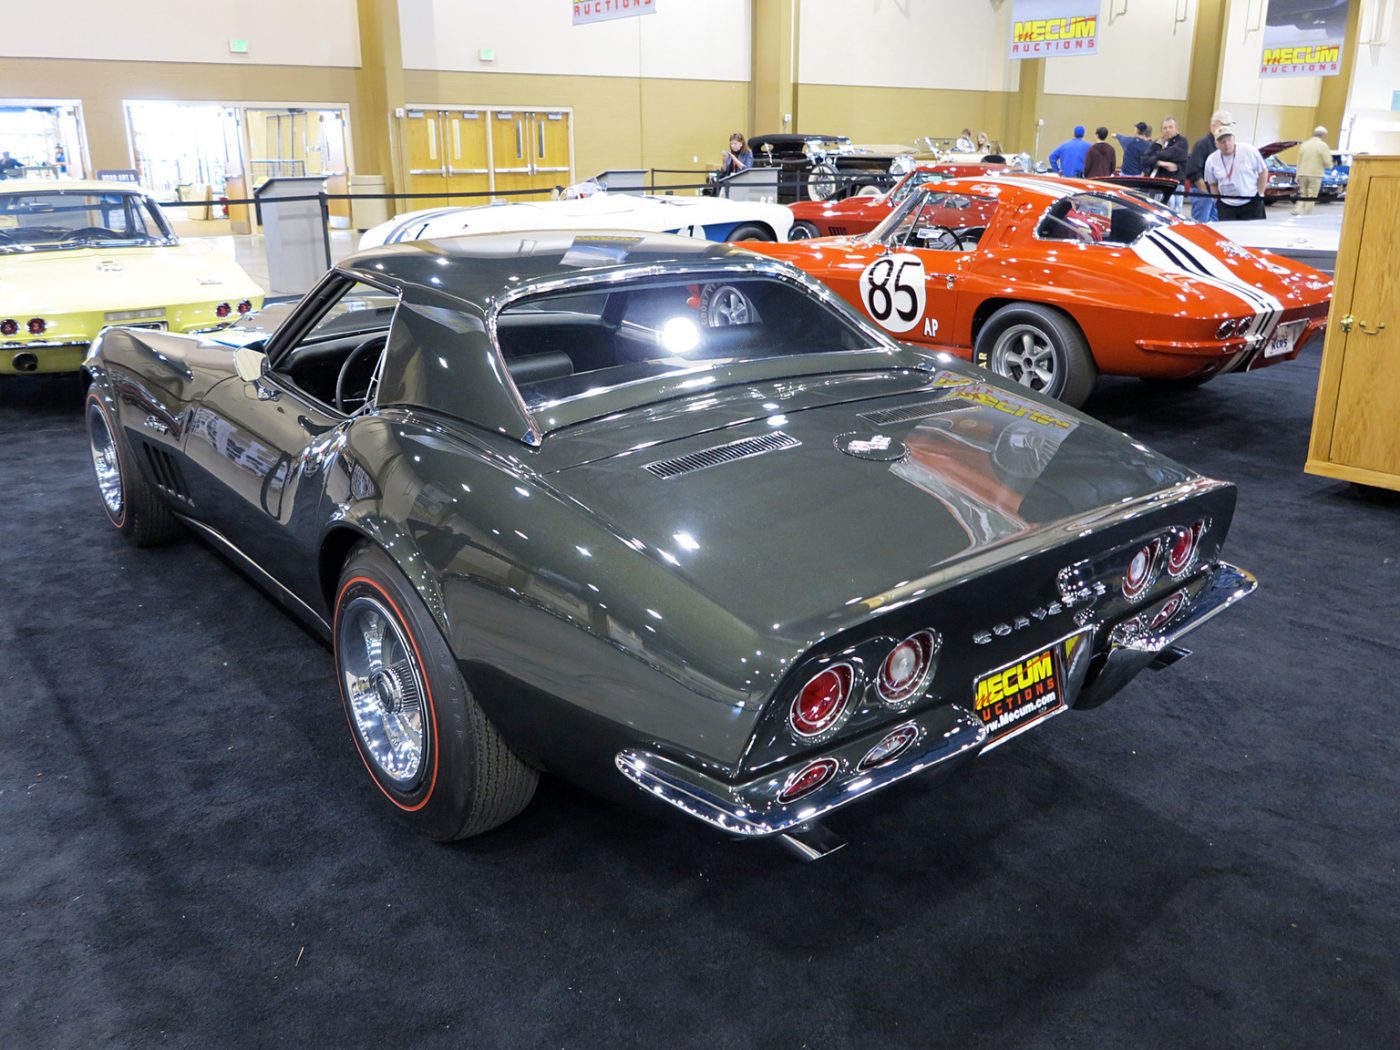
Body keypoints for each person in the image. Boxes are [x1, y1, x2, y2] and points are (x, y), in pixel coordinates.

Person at [1204, 127, 1269, 221]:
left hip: (1251, 202)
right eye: (1222, 141)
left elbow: (1263, 171)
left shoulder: (1248, 150)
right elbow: (1212, 184)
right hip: (1226, 206)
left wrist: (1260, 194)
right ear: (1216, 144)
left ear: (1234, 139)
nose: (1226, 144)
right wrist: (1217, 201)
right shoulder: (1211, 160)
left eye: (1229, 139)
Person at [1185, 110, 1233, 223]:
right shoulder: (1202, 145)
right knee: (1201, 225)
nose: (1228, 128)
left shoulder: (1223, 146)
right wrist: (1206, 194)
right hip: (1202, 193)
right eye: (1226, 125)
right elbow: (1193, 171)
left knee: (1215, 226)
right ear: (1214, 125)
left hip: (1217, 194)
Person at [1142, 116, 1189, 211]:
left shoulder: (1182, 142)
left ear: (1176, 129)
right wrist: (1162, 163)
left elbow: (1172, 153)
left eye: (1170, 127)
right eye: (1165, 128)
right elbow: (1145, 160)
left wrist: (1155, 157)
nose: (1167, 130)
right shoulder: (1157, 143)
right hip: (1156, 186)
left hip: (1174, 186)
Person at [1294, 126, 1332, 216]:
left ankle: (1298, 210)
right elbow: (1327, 161)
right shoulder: (1323, 146)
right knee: (1311, 195)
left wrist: (1297, 174)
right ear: (1322, 135)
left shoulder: (1305, 144)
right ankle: (1307, 213)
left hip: (1302, 173)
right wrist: (1329, 166)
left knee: (1303, 193)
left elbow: (1298, 160)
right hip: (1315, 174)